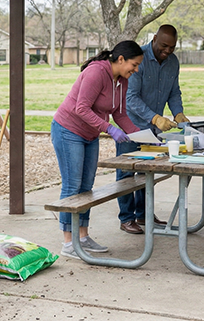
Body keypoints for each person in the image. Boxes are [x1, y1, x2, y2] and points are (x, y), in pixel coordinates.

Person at [51, 41, 144, 259]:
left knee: (86, 188)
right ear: (120, 59)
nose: (136, 69)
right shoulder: (96, 73)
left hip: (90, 134)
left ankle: (82, 237)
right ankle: (68, 242)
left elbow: (120, 114)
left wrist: (141, 135)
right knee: (72, 186)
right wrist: (109, 128)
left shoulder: (122, 81)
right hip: (68, 130)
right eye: (134, 64)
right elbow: (81, 108)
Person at [116, 24, 188, 234]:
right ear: (154, 38)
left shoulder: (173, 62)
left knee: (147, 171)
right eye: (164, 45)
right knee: (126, 173)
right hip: (130, 126)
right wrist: (155, 118)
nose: (167, 51)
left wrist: (178, 113)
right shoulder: (138, 59)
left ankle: (144, 214)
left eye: (172, 47)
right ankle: (126, 218)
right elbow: (131, 98)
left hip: (153, 130)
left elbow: (174, 92)